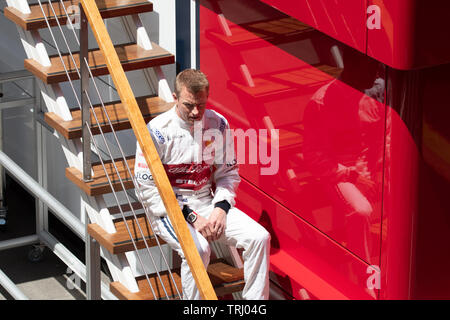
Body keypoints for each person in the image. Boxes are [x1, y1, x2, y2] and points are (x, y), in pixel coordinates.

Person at [134, 69, 270, 300]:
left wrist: (221, 209)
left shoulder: (218, 123)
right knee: (199, 249)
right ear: (175, 98)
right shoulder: (157, 131)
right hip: (168, 209)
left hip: (207, 202)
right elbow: (147, 190)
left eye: (201, 104)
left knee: (259, 237)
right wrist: (193, 218)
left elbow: (228, 173)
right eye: (188, 105)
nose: (196, 112)